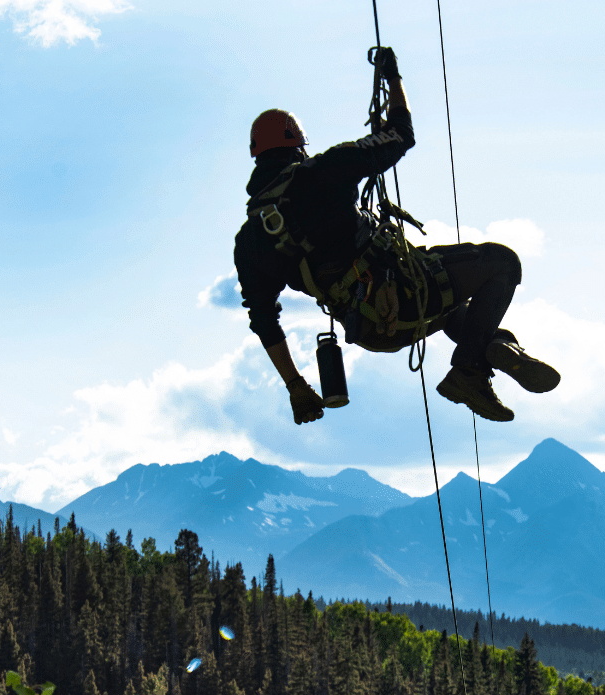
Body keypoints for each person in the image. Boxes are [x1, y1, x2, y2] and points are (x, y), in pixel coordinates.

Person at [233, 46, 559, 424]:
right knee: (503, 264)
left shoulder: (250, 240)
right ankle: (469, 371)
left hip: (370, 328)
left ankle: (500, 346)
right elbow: (401, 134)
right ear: (299, 147)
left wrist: (296, 386)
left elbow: (264, 318)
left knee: (460, 314)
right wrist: (393, 78)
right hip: (407, 295)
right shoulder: (323, 171)